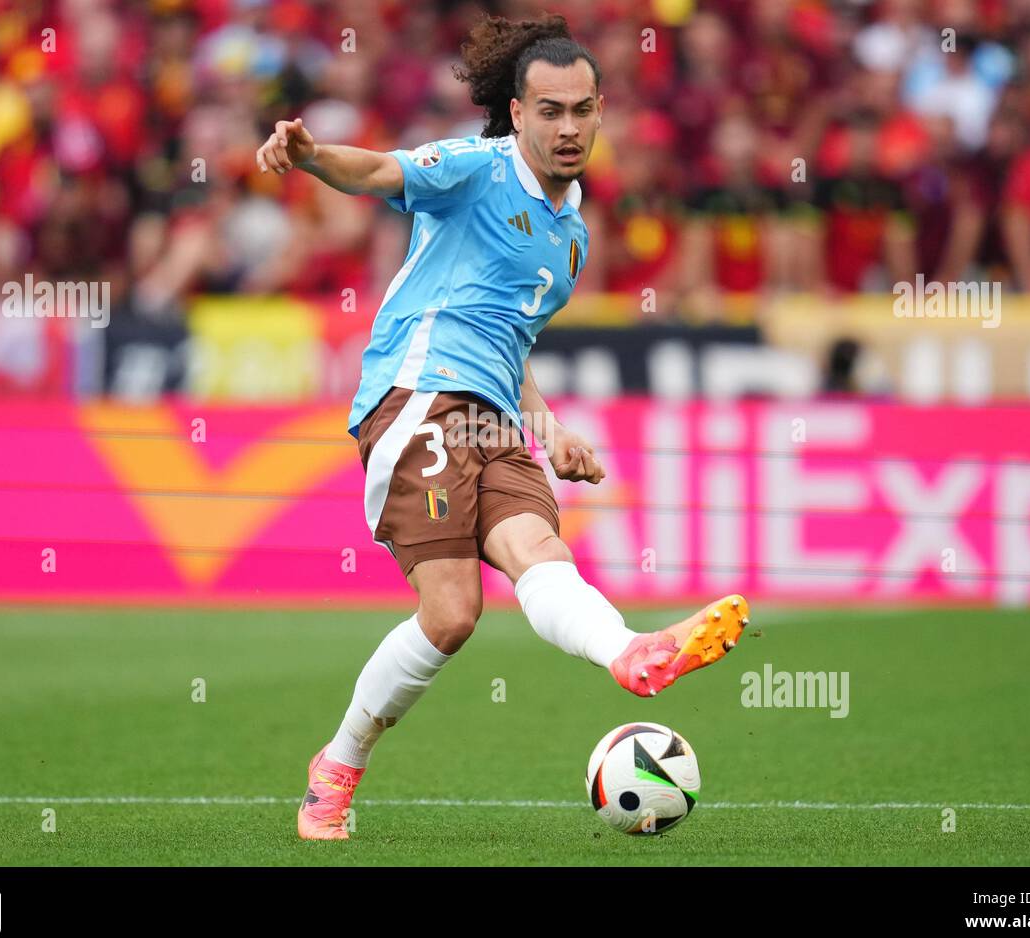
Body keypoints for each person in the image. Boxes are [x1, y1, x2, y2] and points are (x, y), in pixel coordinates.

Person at [255, 13, 751, 841]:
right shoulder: (473, 169)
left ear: (600, 113)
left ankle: (630, 653)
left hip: (491, 419)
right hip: (417, 400)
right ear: (517, 114)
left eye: (582, 110)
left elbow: (510, 342)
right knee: (452, 615)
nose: (567, 127)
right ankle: (334, 770)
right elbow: (378, 169)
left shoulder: (572, 235)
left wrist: (548, 426)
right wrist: (310, 158)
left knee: (540, 555)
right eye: (549, 111)